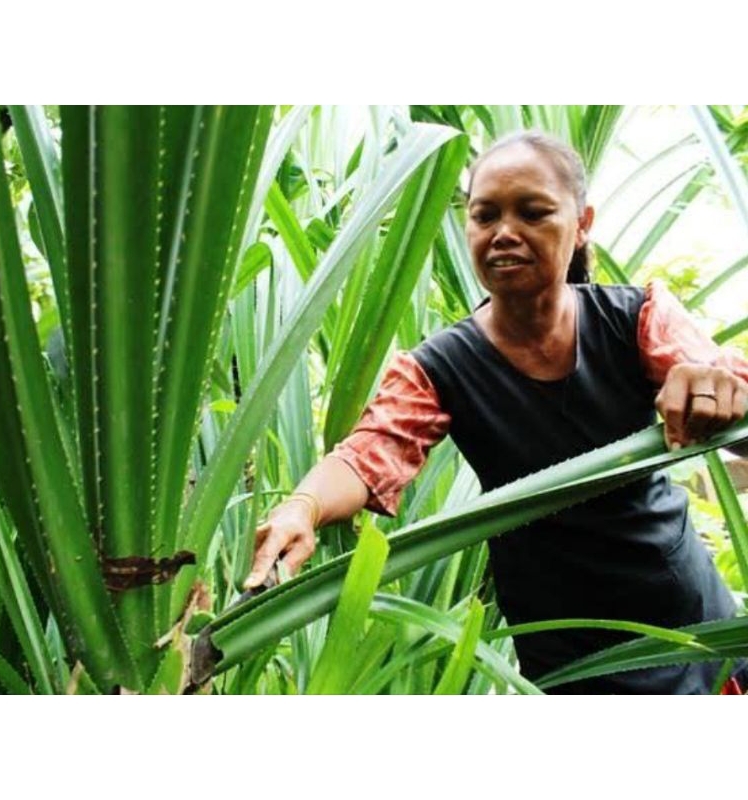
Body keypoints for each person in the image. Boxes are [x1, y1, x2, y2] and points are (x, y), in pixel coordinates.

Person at [245, 130, 748, 694]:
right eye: (486, 216)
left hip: (688, 620)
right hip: (566, 643)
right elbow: (367, 456)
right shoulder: (440, 366)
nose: (505, 233)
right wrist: (302, 506)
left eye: (533, 213)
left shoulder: (636, 319)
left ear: (582, 223)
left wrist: (719, 393)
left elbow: (730, 402)